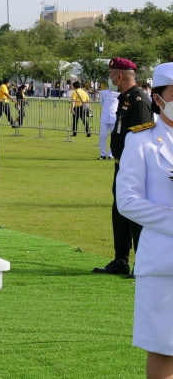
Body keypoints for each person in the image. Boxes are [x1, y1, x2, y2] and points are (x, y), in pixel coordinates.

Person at [116, 62, 173, 378]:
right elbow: (127, 200)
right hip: (164, 262)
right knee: (165, 349)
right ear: (159, 98)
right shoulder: (142, 140)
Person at [93, 57, 154, 275]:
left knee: (136, 215)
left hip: (135, 168)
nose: (109, 80)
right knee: (120, 212)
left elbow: (143, 139)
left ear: (120, 76)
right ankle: (121, 259)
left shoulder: (139, 101)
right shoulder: (125, 99)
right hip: (122, 165)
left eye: (111, 76)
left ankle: (142, 262)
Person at [99, 84, 118, 159]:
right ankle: (103, 154)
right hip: (105, 117)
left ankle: (111, 154)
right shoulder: (103, 92)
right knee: (102, 136)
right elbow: (102, 103)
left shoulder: (118, 93)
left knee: (113, 137)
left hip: (114, 117)